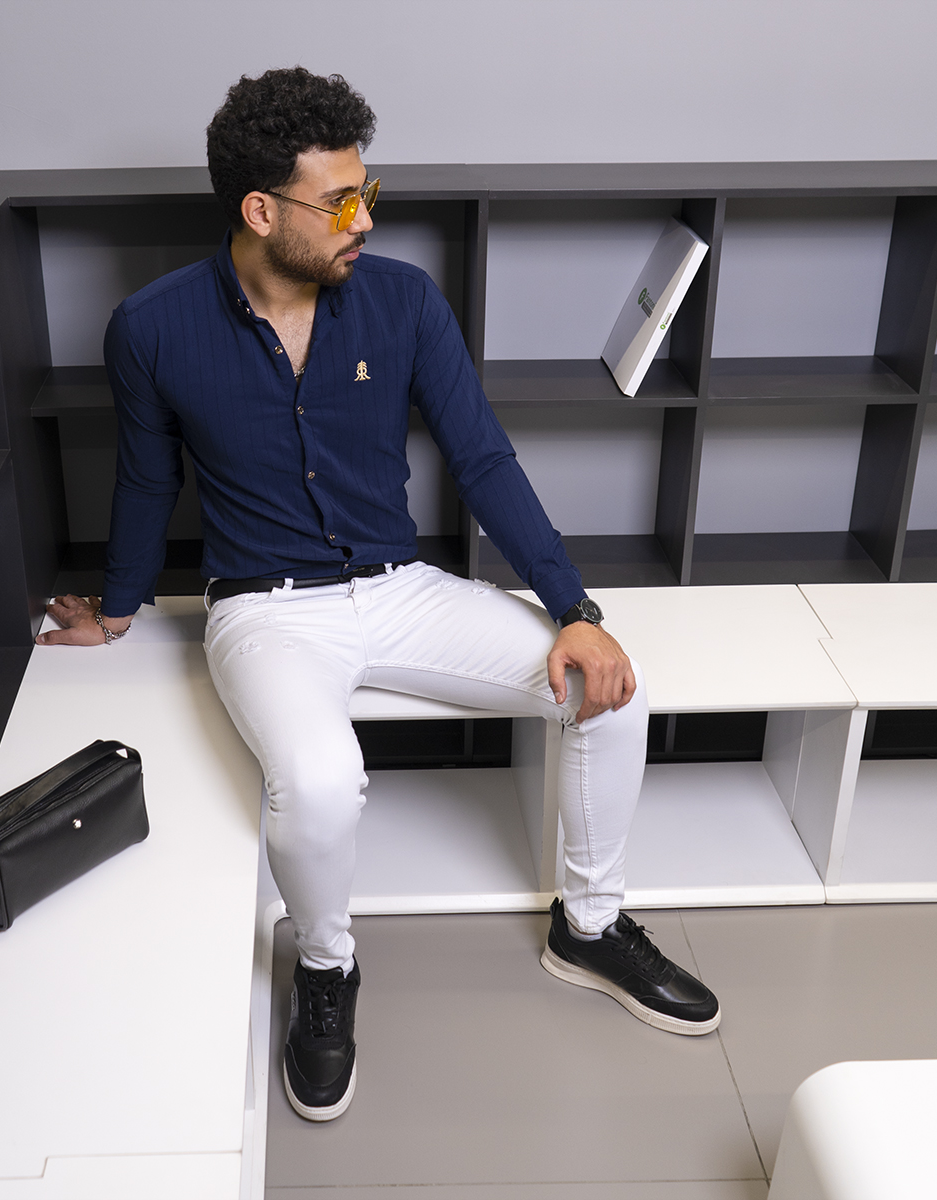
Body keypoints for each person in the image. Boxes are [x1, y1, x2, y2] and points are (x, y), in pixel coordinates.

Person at [38, 67, 719, 1122]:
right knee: (318, 782)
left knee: (610, 692)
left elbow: (482, 459)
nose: (364, 218)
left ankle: (588, 928)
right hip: (264, 609)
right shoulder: (152, 327)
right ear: (260, 211)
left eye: (369, 191)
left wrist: (575, 612)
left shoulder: (401, 300)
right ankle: (326, 968)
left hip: (400, 588)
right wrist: (117, 607)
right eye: (339, 200)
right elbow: (145, 479)